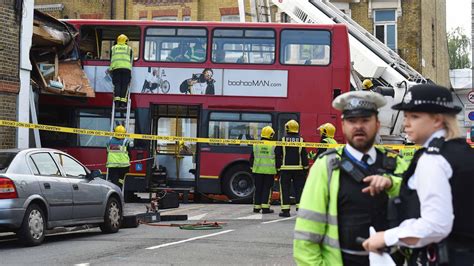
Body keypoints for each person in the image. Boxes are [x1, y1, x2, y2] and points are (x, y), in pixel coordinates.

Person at [362, 84, 474, 265]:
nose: (406, 123)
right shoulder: (462, 152)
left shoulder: (433, 159)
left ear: (437, 120)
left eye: (414, 116)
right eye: (405, 116)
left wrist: (386, 238)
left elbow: (436, 225)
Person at [293, 91, 408, 265]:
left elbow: (419, 211)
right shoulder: (326, 166)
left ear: (377, 124)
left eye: (365, 120)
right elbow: (306, 235)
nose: (358, 126)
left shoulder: (396, 163)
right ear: (342, 125)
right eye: (352, 121)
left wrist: (392, 184)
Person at [275, 120, 309, 217]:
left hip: (285, 169)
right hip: (299, 170)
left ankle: (285, 211)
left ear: (287, 128)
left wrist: (277, 169)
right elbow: (304, 156)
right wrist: (305, 168)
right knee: (299, 189)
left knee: (285, 190)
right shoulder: (301, 140)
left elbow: (277, 155)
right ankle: (301, 210)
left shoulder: (282, 140)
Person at [249, 126, 278, 214]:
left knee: (258, 189)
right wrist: (278, 170)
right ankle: (265, 208)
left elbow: (252, 158)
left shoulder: (256, 144)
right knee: (267, 189)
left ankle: (256, 207)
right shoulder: (274, 145)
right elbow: (277, 158)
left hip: (257, 171)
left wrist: (252, 169)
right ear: (271, 135)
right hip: (269, 171)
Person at [109, 34, 133, 107]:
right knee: (124, 84)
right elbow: (131, 58)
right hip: (126, 69)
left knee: (117, 84)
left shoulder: (113, 48)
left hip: (116, 68)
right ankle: (123, 102)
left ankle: (116, 102)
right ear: (125, 41)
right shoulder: (129, 48)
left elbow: (111, 57)